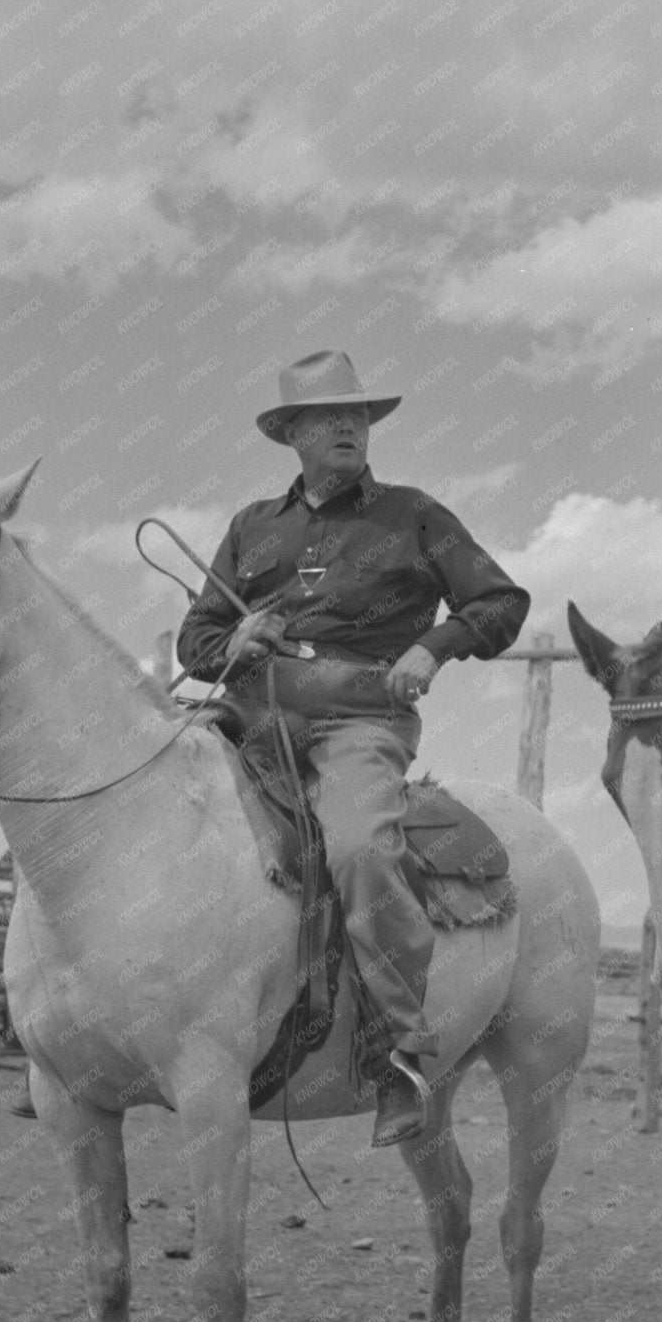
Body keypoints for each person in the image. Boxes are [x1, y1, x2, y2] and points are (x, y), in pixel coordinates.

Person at [174, 349, 531, 1147]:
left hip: (357, 726)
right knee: (126, 798)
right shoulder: (251, 527)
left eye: (357, 415)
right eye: (328, 416)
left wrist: (433, 647)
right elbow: (193, 645)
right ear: (291, 434)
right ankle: (69, 1031)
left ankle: (400, 1052)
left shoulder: (415, 515)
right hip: (246, 716)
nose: (346, 426)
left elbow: (500, 601)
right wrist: (237, 637)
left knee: (364, 850)